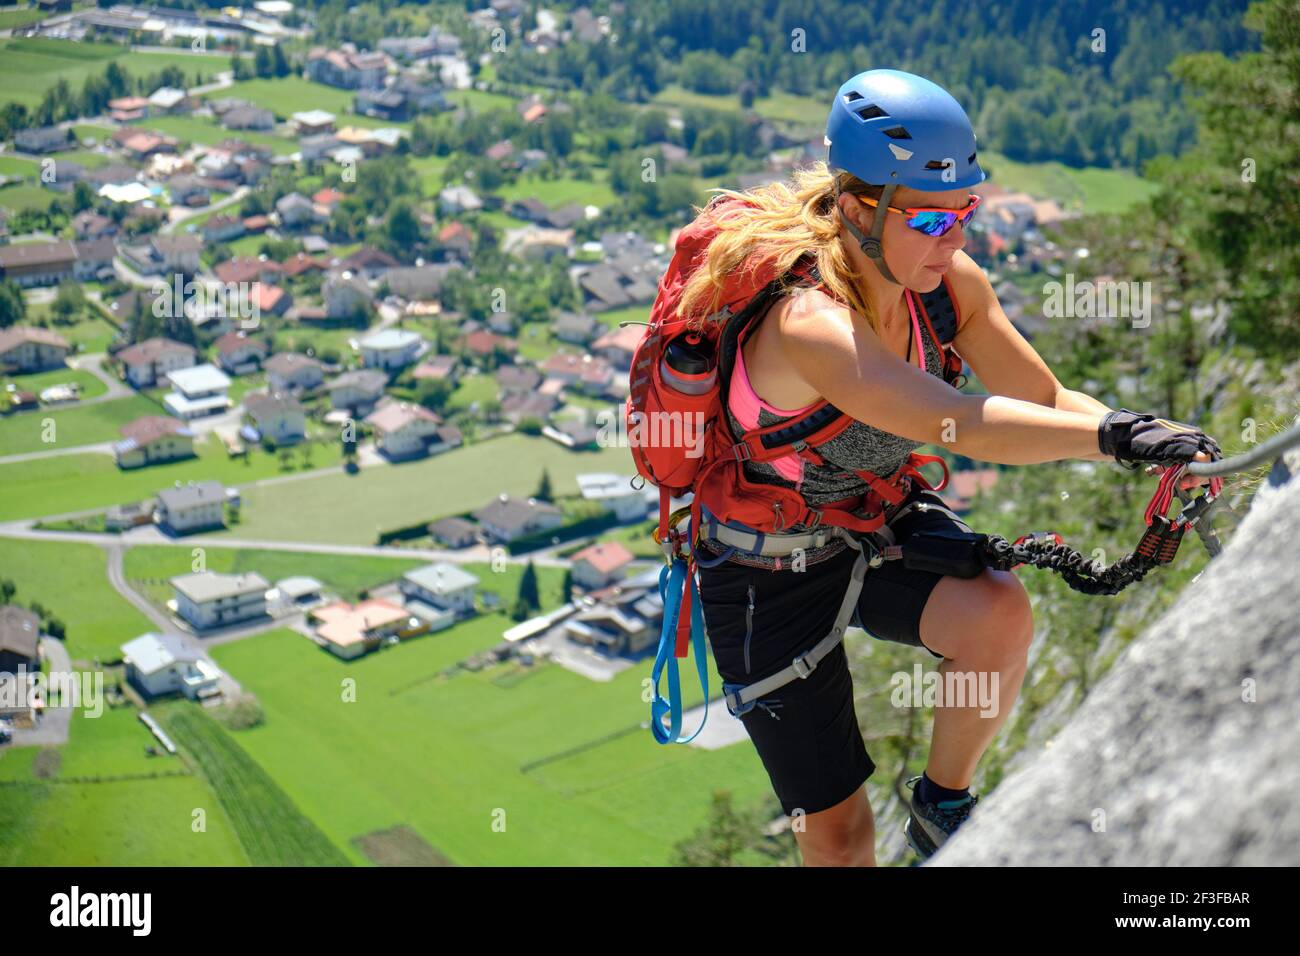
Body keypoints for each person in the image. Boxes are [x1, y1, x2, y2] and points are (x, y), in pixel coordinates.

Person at [688, 69, 1221, 866]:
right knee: (838, 835)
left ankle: (944, 805)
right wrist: (1114, 438)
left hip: (869, 522)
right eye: (934, 216)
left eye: (967, 211)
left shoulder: (944, 286)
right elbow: (961, 421)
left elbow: (1039, 396)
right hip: (766, 571)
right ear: (859, 209)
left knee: (997, 614)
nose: (957, 237)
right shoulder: (810, 326)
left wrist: (1150, 437)